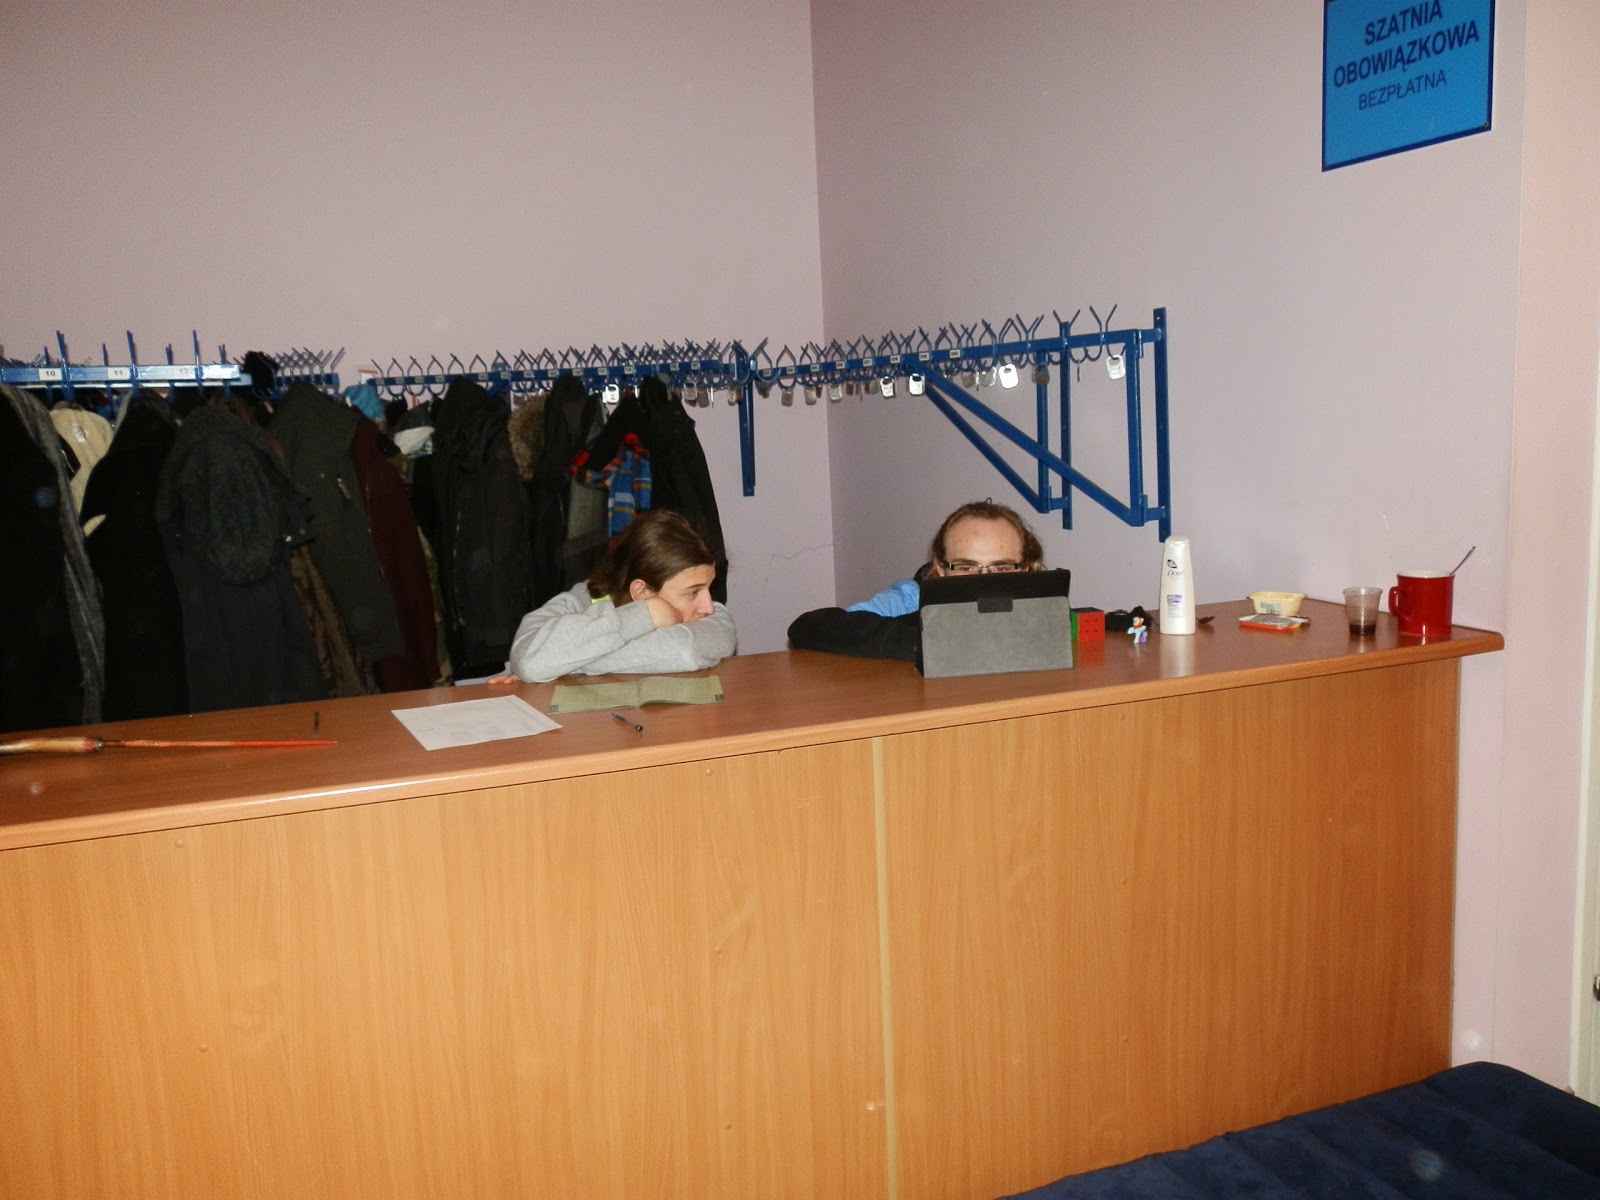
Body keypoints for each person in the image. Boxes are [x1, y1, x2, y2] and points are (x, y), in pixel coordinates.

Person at [787, 499, 1045, 661]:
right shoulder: (911, 599)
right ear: (941, 569)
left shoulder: (1049, 610)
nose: (983, 581)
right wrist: (930, 643)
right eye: (966, 567)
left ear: (1024, 569)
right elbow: (810, 628)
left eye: (1001, 568)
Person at [499, 509, 736, 683]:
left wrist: (562, 664)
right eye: (693, 592)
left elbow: (682, 651)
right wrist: (644, 616)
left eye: (709, 587)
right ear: (642, 592)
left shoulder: (714, 619)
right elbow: (529, 662)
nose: (709, 606)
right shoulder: (582, 599)